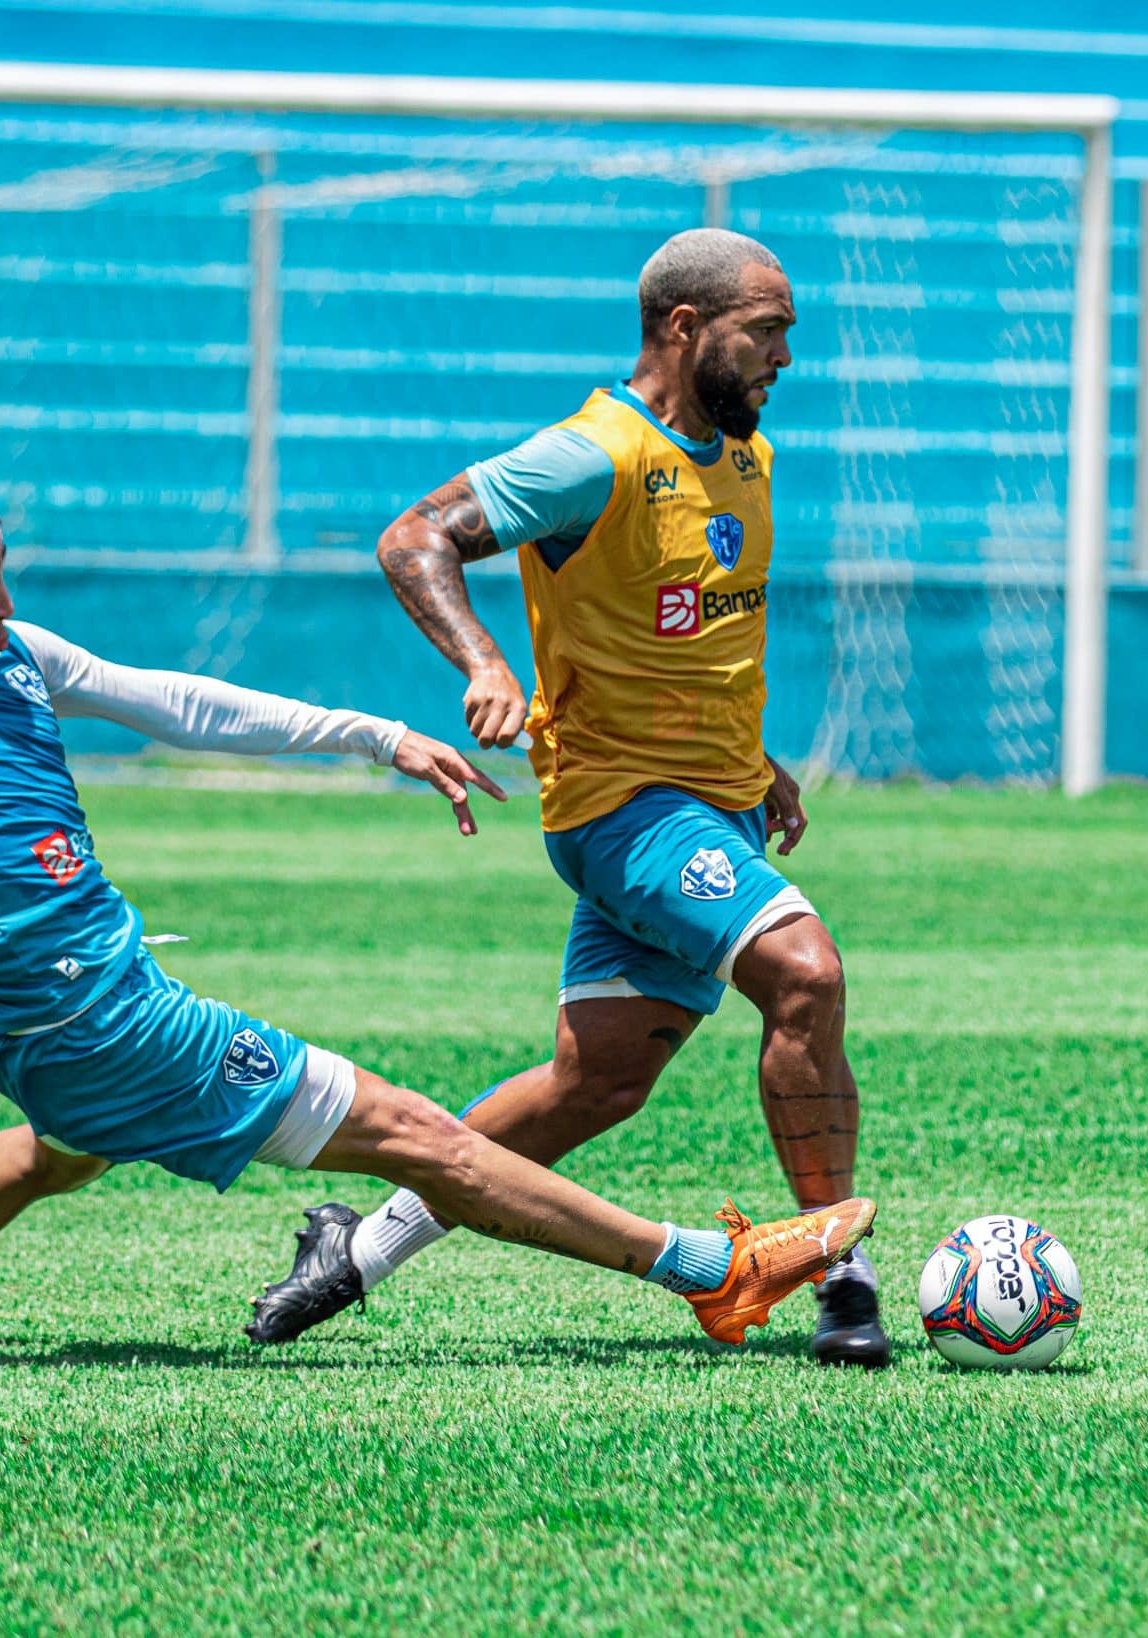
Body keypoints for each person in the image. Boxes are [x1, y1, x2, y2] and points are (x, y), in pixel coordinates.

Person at [0, 453, 874, 1347]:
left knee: (58, 1150)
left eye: (3, 573)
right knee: (419, 1137)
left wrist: (369, 733)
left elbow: (177, 703)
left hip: (49, 1034)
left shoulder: (11, 655)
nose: (3, 600)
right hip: (111, 1018)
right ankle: (709, 1266)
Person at [247, 229, 891, 1367]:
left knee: (591, 1087)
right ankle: (839, 1275)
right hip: (624, 815)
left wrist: (758, 760)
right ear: (684, 328)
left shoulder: (744, 458)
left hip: (711, 802)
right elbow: (414, 539)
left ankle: (354, 1250)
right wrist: (485, 668)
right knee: (805, 971)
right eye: (768, 329)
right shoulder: (590, 456)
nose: (786, 354)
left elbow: (693, 636)